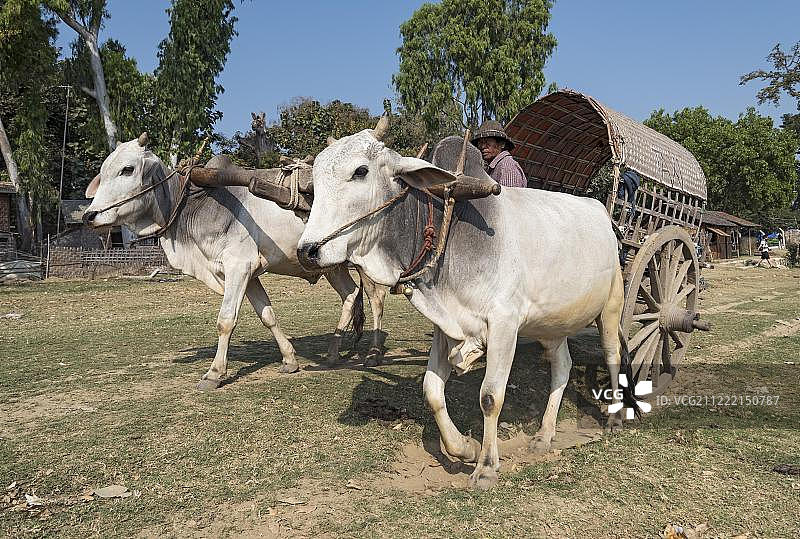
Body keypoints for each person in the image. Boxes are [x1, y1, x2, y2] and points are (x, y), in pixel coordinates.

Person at [470, 120, 527, 187]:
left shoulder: (507, 166)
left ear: (502, 144)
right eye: (480, 143)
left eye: (487, 142)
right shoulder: (493, 168)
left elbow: (510, 193)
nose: (483, 147)